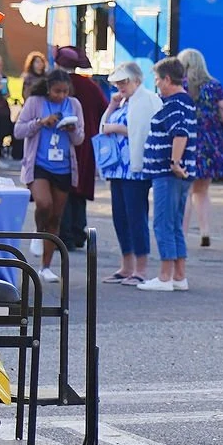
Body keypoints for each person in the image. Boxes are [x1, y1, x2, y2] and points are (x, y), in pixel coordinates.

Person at [13, 67, 84, 282]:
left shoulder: (74, 105)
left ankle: (46, 265)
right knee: (44, 204)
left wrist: (72, 130)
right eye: (56, 91)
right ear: (48, 88)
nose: (61, 95)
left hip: (63, 166)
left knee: (56, 216)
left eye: (65, 91)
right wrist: (40, 123)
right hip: (39, 163)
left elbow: (80, 138)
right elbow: (18, 131)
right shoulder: (35, 102)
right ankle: (38, 230)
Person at [138, 58, 196, 291]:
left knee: (162, 223)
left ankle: (164, 277)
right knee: (174, 224)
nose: (157, 85)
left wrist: (174, 162)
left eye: (158, 80)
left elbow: (179, 133)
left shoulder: (173, 104)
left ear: (168, 80)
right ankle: (179, 275)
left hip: (168, 173)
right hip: (180, 174)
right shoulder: (187, 102)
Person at [98, 62, 156, 284]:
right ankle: (126, 265)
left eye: (124, 82)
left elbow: (144, 131)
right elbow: (103, 126)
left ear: (137, 81)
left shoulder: (146, 100)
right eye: (118, 82)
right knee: (120, 218)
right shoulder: (122, 102)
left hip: (135, 170)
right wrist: (112, 107)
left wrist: (118, 129)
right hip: (117, 169)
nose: (120, 86)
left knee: (136, 217)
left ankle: (140, 268)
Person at [177, 47, 223, 248]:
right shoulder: (214, 86)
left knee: (185, 191)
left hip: (187, 142)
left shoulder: (180, 86)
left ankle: (182, 234)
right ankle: (205, 231)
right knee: (202, 191)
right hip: (211, 142)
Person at [54, 46, 107, 250]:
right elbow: (104, 109)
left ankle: (65, 234)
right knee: (80, 189)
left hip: (62, 143)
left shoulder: (56, 86)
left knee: (64, 187)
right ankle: (78, 231)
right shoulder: (90, 86)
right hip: (86, 143)